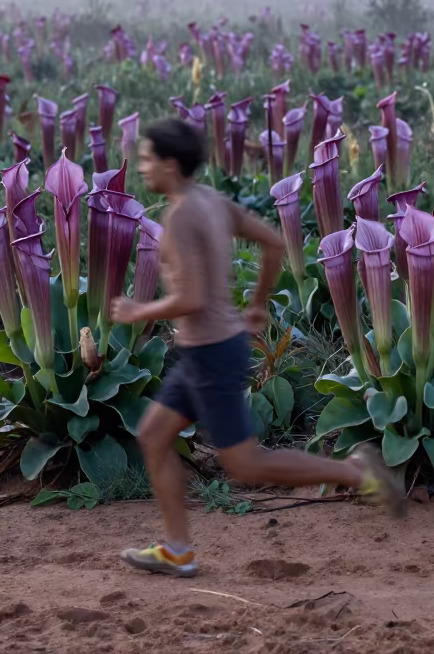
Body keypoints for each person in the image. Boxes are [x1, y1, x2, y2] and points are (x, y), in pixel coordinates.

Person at [111, 117, 403, 579]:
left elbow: (192, 299)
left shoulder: (183, 214)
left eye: (147, 158)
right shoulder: (210, 201)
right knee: (152, 436)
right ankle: (177, 549)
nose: (141, 166)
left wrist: (136, 311)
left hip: (211, 353)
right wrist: (257, 306)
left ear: (170, 163)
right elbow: (272, 242)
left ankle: (355, 473)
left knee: (247, 465)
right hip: (205, 349)